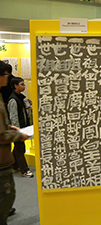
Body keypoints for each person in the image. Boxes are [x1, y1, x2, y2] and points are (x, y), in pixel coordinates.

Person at [0, 60, 29, 225]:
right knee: (7, 194)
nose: (6, 78)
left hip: (4, 158)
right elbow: (1, 135)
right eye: (5, 74)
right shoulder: (11, 98)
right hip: (2, 161)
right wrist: (17, 135)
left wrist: (8, 126)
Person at [7, 77, 33, 178]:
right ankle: (24, 170)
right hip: (18, 129)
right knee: (19, 149)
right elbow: (13, 117)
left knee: (18, 148)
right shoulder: (13, 100)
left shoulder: (20, 98)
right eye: (22, 84)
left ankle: (13, 165)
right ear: (15, 86)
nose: (24, 86)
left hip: (22, 128)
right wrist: (18, 132)